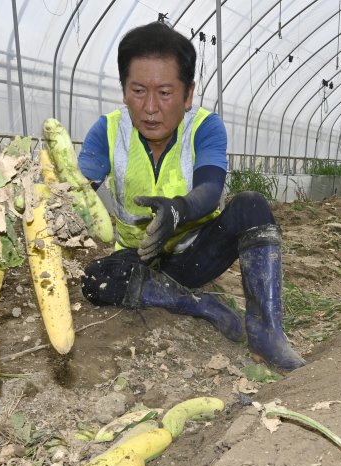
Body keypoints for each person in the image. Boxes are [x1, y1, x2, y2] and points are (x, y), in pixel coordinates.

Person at [77, 21, 305, 371]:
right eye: (138, 90)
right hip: (140, 261)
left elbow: (211, 189)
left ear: (188, 94)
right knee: (94, 279)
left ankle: (267, 334)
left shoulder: (204, 126)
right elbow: (75, 192)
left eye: (165, 93)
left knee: (251, 205)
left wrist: (178, 211)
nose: (150, 107)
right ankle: (198, 304)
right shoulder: (107, 131)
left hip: (196, 255)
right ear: (124, 91)